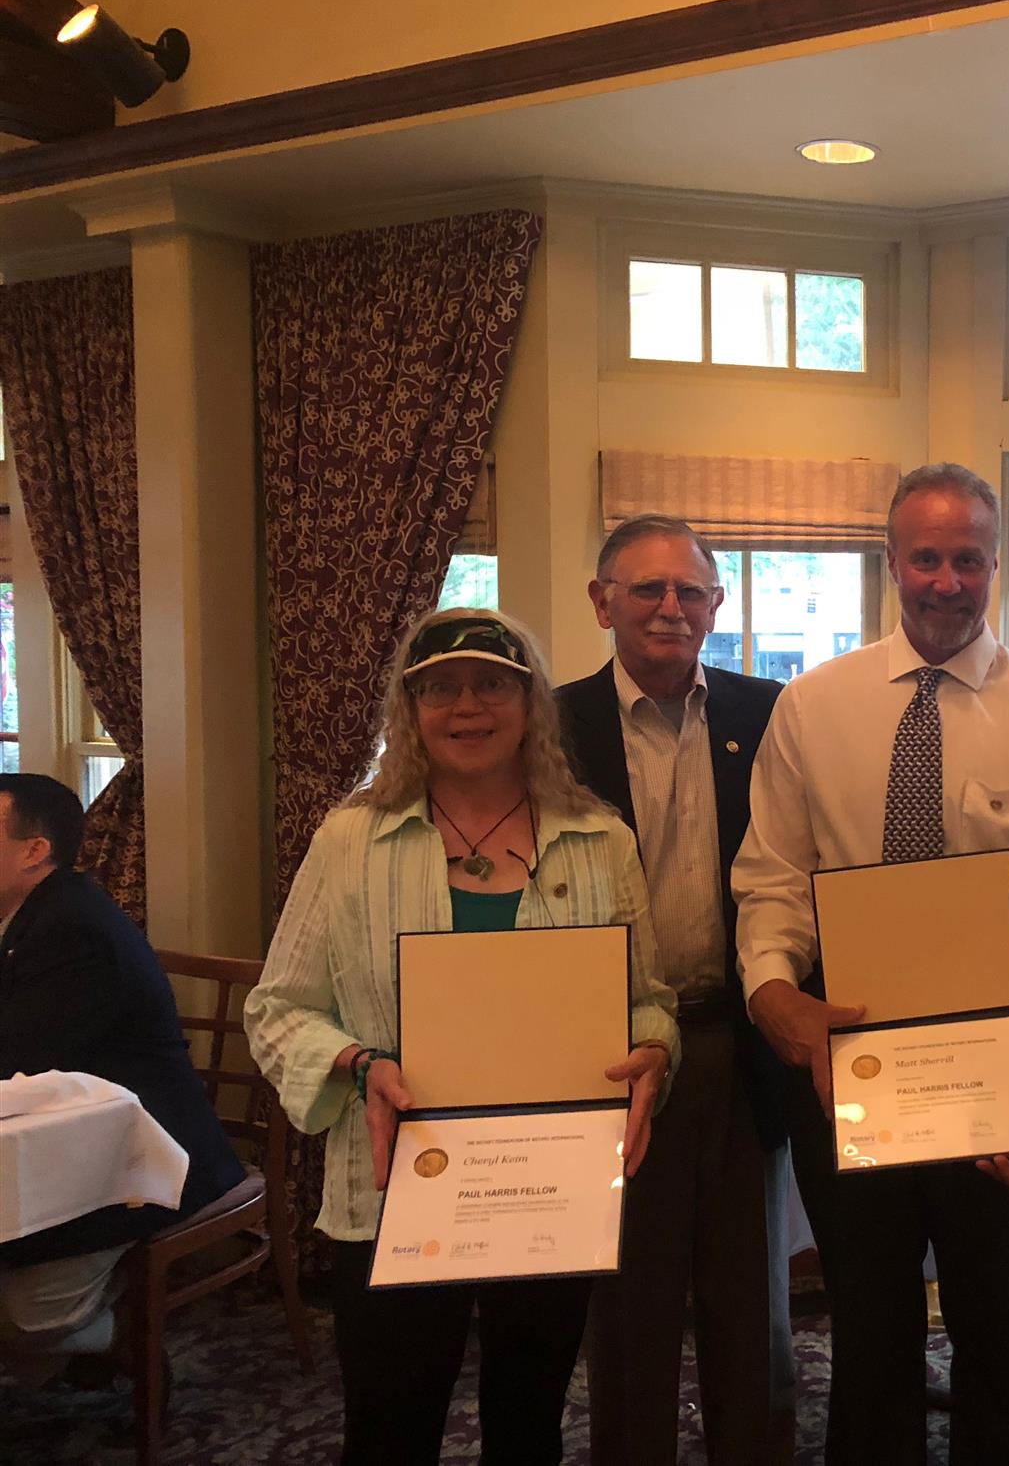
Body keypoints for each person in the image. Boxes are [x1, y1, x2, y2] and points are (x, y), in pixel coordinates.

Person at [731, 462, 1009, 1466]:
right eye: (928, 559)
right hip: (849, 1059)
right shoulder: (813, 707)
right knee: (869, 1332)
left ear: (995, 566)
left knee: (1000, 1332)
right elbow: (772, 878)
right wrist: (773, 993)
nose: (948, 582)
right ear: (892, 561)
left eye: (968, 561)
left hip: (997, 1069)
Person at [245, 610, 679, 1466]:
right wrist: (360, 1063)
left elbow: (647, 1002)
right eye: (440, 687)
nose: (466, 705)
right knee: (388, 1430)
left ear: (531, 702)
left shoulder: (599, 841)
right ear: (410, 709)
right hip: (394, 1186)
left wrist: (654, 1050)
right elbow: (278, 1008)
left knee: (529, 1427)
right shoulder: (349, 841)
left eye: (491, 684)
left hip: (549, 1184)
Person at [558, 513, 794, 1466]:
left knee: (750, 1297)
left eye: (689, 590)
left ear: (716, 604)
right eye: (647, 588)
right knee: (630, 1300)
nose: (669, 607)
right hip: (615, 1053)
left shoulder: (769, 713)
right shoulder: (551, 724)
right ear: (602, 601)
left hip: (740, 1041)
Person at [0, 774, 246, 1375]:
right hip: (69, 1139)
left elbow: (17, 1056)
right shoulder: (29, 912)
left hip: (143, 1153)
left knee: (29, 1319)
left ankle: (116, 1339)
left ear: (34, 851)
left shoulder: (72, 928)